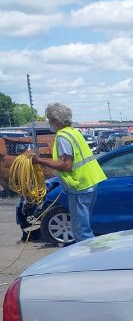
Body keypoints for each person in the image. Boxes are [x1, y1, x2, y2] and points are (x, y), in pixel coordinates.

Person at [28, 102, 106, 244]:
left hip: (79, 187)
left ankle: (88, 259)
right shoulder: (74, 132)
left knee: (81, 230)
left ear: (56, 120)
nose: (49, 123)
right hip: (89, 183)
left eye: (49, 119)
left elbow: (66, 164)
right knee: (84, 226)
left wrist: (38, 160)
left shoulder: (63, 136)